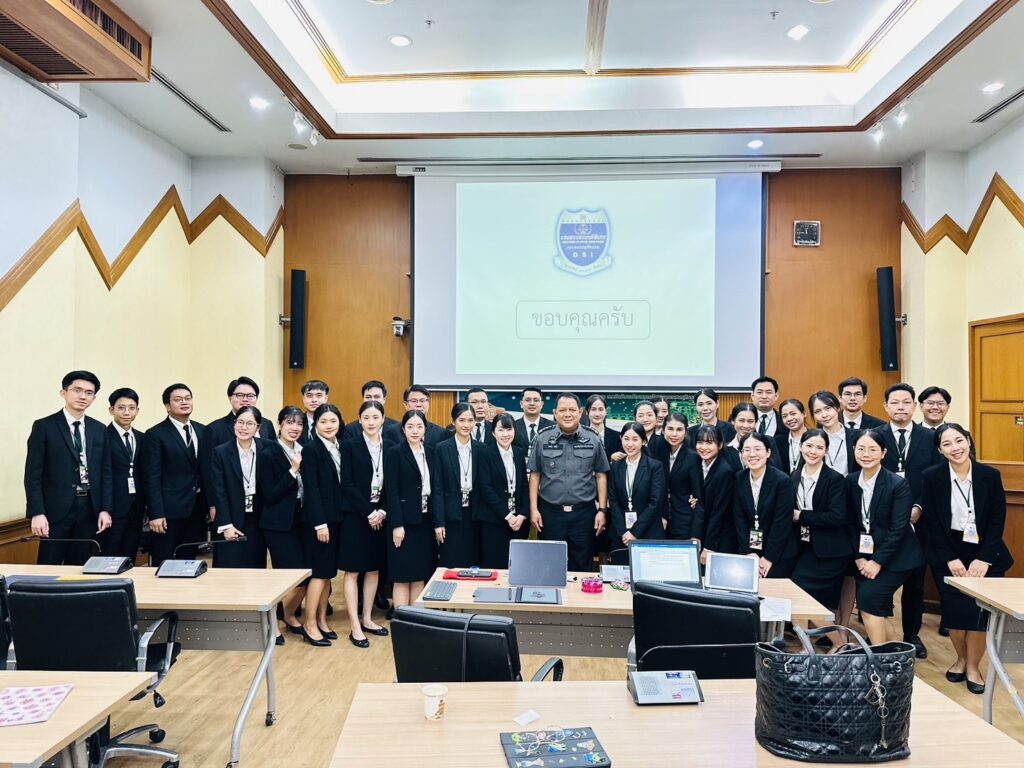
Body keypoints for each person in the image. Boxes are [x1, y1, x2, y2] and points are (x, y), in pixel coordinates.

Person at [921, 423, 1014, 694]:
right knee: (956, 613)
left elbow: (997, 520)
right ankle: (961, 659)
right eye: (947, 444)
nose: (955, 448)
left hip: (985, 551)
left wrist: (984, 559)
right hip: (949, 552)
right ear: (940, 450)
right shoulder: (932, 477)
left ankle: (973, 666)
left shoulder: (990, 475)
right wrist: (949, 558)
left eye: (959, 440)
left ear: (968, 441)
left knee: (980, 614)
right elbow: (932, 522)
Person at [25, 370, 113, 565]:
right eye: (77, 390)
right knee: (49, 566)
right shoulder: (44, 426)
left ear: (94, 398)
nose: (83, 396)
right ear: (63, 393)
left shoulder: (99, 429)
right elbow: (33, 474)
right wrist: (37, 512)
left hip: (89, 509)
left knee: (82, 567)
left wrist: (105, 509)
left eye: (89, 393)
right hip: (55, 511)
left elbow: (105, 473)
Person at [846, 430, 924, 645]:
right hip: (865, 556)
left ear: (883, 453)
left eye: (872, 449)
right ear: (854, 450)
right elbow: (850, 523)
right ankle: (897, 655)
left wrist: (877, 561)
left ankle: (880, 657)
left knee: (869, 601)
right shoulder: (850, 481)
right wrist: (858, 557)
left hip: (898, 557)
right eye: (861, 449)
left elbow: (899, 528)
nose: (866, 454)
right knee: (875, 606)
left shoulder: (897, 484)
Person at [879, 382, 936, 659]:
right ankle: (878, 633)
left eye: (906, 402)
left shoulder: (930, 437)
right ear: (885, 406)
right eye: (895, 402)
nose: (900, 407)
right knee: (881, 577)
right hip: (883, 520)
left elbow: (936, 478)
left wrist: (919, 506)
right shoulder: (874, 436)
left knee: (915, 582)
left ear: (915, 406)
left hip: (919, 520)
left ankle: (911, 634)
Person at [529, 393, 610, 572]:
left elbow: (601, 475)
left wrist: (602, 511)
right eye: (562, 410)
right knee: (549, 565)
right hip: (550, 514)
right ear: (555, 413)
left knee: (582, 564)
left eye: (572, 410)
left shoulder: (593, 438)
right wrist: (534, 509)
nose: (567, 414)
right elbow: (535, 475)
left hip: (584, 514)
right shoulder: (542, 438)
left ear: (580, 412)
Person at [790, 429, 854, 649]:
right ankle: (806, 649)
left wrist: (802, 516)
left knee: (804, 598)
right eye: (809, 446)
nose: (813, 451)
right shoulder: (795, 475)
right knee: (797, 598)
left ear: (826, 451)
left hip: (831, 551)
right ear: (801, 447)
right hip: (806, 548)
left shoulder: (834, 479)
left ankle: (840, 644)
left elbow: (837, 517)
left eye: (819, 447)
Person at [339, 401, 392, 648]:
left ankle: (368, 618)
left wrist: (381, 511)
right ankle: (355, 625)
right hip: (356, 516)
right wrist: (368, 512)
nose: (371, 422)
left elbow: (393, 484)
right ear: (359, 420)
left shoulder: (391, 446)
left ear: (383, 419)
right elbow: (346, 483)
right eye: (366, 417)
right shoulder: (349, 445)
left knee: (373, 569)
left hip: (380, 516)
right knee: (353, 571)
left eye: (375, 417)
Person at [140, 383, 208, 565]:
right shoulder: (155, 434)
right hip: (168, 512)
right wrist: (156, 513)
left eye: (188, 398)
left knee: (189, 561)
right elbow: (151, 477)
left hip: (196, 509)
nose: (184, 402)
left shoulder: (202, 430)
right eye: (178, 399)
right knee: (164, 562)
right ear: (167, 406)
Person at [257, 406, 308, 639]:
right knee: (284, 577)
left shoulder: (303, 449)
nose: (294, 427)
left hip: (301, 521)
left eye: (299, 423)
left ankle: (287, 615)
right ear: (279, 425)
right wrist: (293, 470)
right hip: (278, 525)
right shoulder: (268, 452)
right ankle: (273, 623)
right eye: (289, 422)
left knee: (305, 576)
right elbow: (270, 493)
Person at [385, 410, 443, 609]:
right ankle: (402, 618)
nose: (415, 431)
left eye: (419, 426)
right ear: (403, 429)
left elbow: (435, 488)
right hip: (403, 522)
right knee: (402, 576)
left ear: (425, 429)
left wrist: (437, 522)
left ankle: (415, 619)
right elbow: (391, 491)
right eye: (410, 426)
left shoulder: (431, 451)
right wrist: (397, 525)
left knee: (419, 574)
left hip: (424, 521)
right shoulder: (394, 452)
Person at [298, 403, 345, 647]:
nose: (329, 426)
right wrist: (320, 524)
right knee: (318, 574)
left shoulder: (339, 446)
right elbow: (312, 489)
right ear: (315, 425)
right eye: (323, 422)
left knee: (328, 573)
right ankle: (309, 624)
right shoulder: (311, 449)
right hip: (319, 523)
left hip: (336, 518)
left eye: (333, 421)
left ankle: (321, 620)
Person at [211, 405, 268, 569]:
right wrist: (226, 525)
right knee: (229, 566)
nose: (244, 427)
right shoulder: (221, 452)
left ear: (258, 427)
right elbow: (219, 491)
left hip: (258, 518)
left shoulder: (268, 448)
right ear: (234, 424)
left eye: (250, 424)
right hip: (232, 517)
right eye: (240, 422)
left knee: (256, 566)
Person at [733, 433, 796, 578]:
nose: (752, 454)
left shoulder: (782, 481)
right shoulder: (739, 478)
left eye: (757, 449)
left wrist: (769, 557)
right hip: (750, 549)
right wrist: (748, 552)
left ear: (768, 452)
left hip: (778, 552)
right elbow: (739, 517)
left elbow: (781, 522)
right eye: (746, 450)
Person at [476, 413, 529, 568]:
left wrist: (522, 514)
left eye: (509, 429)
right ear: (493, 433)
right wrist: (508, 516)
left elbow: (524, 486)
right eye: (500, 430)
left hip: (519, 522)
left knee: (517, 566)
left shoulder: (519, 452)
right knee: (495, 565)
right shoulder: (485, 453)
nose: (505, 434)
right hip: (494, 521)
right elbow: (486, 489)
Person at [435, 403, 483, 567]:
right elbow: (438, 489)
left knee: (474, 563)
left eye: (470, 420)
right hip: (451, 515)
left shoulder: (482, 449)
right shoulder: (441, 448)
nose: (466, 425)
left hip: (476, 516)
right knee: (451, 562)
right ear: (453, 421)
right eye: (462, 420)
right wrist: (439, 522)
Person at [102, 387, 146, 560]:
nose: (127, 412)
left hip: (136, 507)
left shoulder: (142, 437)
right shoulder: (103, 436)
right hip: (112, 506)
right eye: (121, 408)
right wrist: (104, 508)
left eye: (131, 408)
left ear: (137, 410)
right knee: (109, 554)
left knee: (130, 555)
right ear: (111, 410)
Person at [608, 422, 666, 546]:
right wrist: (624, 532)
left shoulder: (655, 466)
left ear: (643, 441)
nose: (630, 444)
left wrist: (634, 532)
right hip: (621, 535)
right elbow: (613, 501)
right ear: (621, 439)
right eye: (626, 439)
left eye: (635, 439)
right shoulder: (615, 466)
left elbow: (655, 503)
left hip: (648, 532)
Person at [654, 413, 704, 541]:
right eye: (670, 429)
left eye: (679, 429)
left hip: (683, 523)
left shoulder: (693, 457)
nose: (674, 434)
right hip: (659, 522)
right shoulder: (658, 452)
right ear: (663, 430)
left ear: (686, 432)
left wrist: (695, 534)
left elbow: (698, 498)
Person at [694, 426, 737, 558]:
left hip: (720, 537)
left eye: (709, 443)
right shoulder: (698, 464)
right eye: (700, 442)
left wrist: (709, 546)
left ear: (720, 445)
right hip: (704, 529)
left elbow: (719, 512)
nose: (704, 447)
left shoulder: (724, 471)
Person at [808, 391, 856, 476]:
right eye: (817, 411)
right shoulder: (811, 440)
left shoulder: (857, 436)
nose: (824, 415)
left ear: (838, 408)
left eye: (828, 408)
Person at [724, 403, 781, 471]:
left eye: (750, 421)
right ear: (733, 421)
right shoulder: (725, 449)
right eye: (741, 421)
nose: (746, 426)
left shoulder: (768, 441)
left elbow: (777, 470)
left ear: (756, 422)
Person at [513, 387, 553, 452]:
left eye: (536, 400)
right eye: (527, 400)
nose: (532, 403)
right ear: (521, 404)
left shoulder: (552, 427)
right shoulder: (512, 426)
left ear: (542, 404)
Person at [584, 394, 622, 460]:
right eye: (593, 409)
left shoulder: (617, 437)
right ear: (587, 412)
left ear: (606, 411)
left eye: (601, 409)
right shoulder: (579, 436)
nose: (597, 414)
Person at [778, 398, 808, 475]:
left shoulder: (816, 438)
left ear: (804, 413)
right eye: (784, 416)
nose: (789, 419)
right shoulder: (777, 441)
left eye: (793, 414)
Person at [298, 379, 330, 445]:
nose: (314, 400)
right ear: (303, 398)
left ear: (326, 398)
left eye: (319, 395)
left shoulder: (335, 423)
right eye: (309, 396)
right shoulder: (297, 422)